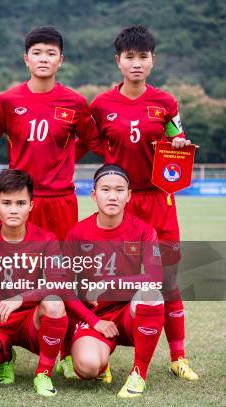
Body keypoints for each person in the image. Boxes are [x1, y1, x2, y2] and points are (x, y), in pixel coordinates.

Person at [86, 25, 197, 381]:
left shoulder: (166, 102)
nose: (136, 64)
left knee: (166, 280)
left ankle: (178, 356)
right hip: (119, 202)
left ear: (153, 60)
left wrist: (179, 146)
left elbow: (177, 139)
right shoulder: (101, 105)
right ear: (118, 60)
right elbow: (89, 144)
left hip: (158, 201)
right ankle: (101, 358)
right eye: (129, 57)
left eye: (143, 57)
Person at [63, 164, 166, 398]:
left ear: (129, 195)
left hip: (129, 315)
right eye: (105, 189)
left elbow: (155, 277)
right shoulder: (77, 234)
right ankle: (101, 360)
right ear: (93, 195)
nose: (112, 196)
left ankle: (138, 374)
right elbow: (65, 289)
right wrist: (93, 320)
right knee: (88, 367)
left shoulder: (143, 231)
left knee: (151, 293)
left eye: (119, 190)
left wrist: (110, 283)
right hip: (95, 317)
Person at [0, 169, 68, 397]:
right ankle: (5, 356)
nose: (13, 210)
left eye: (21, 203)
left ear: (31, 205)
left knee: (54, 304)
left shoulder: (46, 239)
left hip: (29, 320)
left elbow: (58, 284)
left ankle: (43, 373)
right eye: (6, 203)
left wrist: (20, 298)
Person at [0, 26, 100, 241]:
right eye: (37, 53)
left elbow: (92, 141)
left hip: (60, 200)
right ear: (26, 59)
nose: (44, 59)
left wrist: (65, 158)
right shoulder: (7, 101)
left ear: (60, 60)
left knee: (61, 269)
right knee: (21, 268)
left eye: (51, 54)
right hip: (19, 198)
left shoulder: (75, 103)